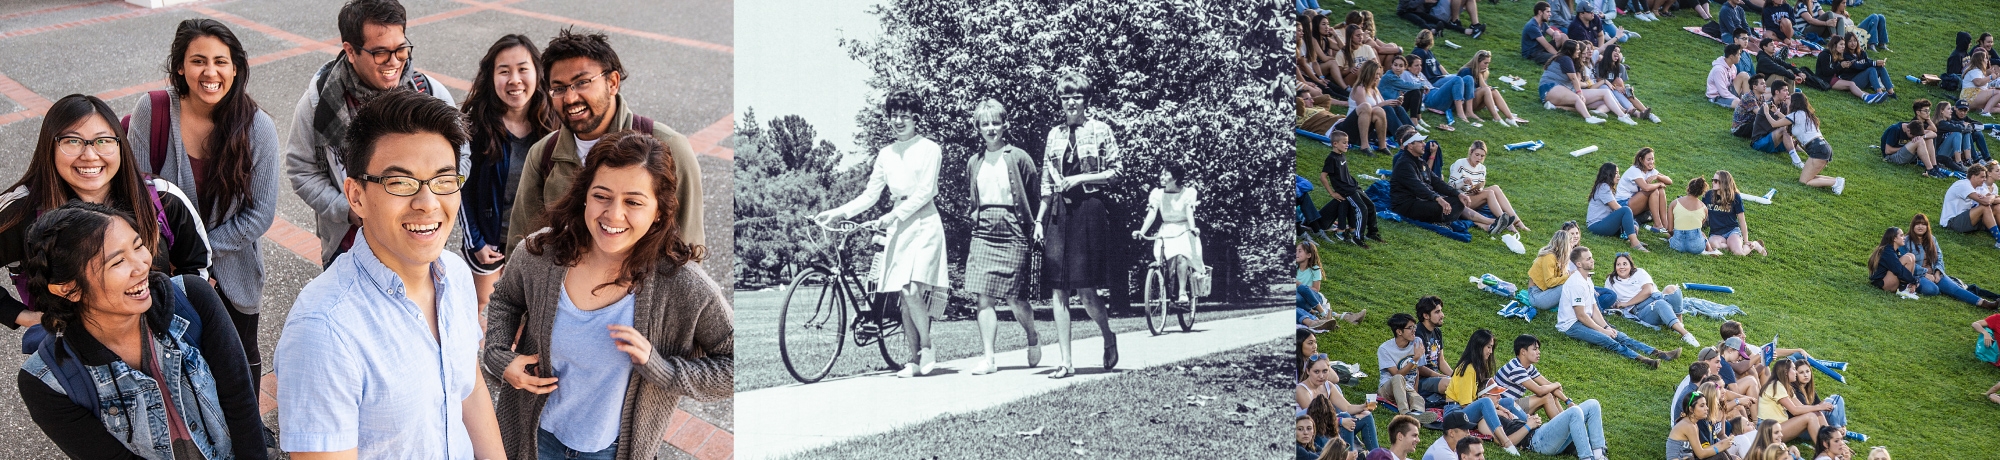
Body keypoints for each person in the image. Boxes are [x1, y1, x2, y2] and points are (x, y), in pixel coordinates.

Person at [273, 90, 505, 458]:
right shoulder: (323, 331)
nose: (427, 203)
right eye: (400, 183)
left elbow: (469, 387)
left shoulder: (457, 275)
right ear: (356, 196)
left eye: (444, 180)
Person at [484, 132, 732, 459]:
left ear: (659, 211)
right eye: (602, 196)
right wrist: (500, 356)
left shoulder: (684, 286)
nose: (613, 215)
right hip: (535, 438)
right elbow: (505, 301)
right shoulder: (541, 252)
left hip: (612, 450)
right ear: (585, 195)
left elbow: (733, 365)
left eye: (633, 201)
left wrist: (664, 370)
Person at [16, 202, 264, 459]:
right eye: (118, 262)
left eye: (138, 246)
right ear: (70, 289)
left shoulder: (192, 300)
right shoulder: (48, 383)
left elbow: (241, 405)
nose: (143, 265)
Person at [127, 18, 274, 393]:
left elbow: (260, 214)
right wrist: (178, 262)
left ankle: (248, 436)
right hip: (167, 269)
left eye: (221, 61)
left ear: (236, 67)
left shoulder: (257, 127)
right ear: (180, 65)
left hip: (233, 266)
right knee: (178, 362)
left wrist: (201, 257)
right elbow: (137, 196)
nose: (211, 72)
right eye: (198, 61)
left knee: (239, 360)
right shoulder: (154, 111)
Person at [0, 95, 213, 349]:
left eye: (103, 141)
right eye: (72, 141)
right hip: (69, 353)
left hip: (156, 344)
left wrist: (172, 320)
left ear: (120, 144)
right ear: (50, 146)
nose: (90, 155)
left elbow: (197, 267)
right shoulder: (21, 211)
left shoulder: (161, 198)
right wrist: (23, 316)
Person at [285, 0, 463, 267]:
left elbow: (462, 158)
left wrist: (436, 195)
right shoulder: (319, 104)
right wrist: (348, 210)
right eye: (380, 53)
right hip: (348, 245)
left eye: (401, 50)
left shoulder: (430, 94)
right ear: (350, 51)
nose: (394, 62)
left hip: (416, 239)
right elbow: (302, 171)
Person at [509, 28, 704, 253]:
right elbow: (523, 244)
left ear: (612, 82)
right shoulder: (543, 154)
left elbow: (689, 247)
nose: (571, 98)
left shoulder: (669, 146)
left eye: (582, 82)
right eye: (559, 88)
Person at [815, 91, 946, 378]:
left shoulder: (929, 149)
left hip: (924, 222)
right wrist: (839, 211)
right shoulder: (886, 154)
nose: (898, 120)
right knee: (903, 293)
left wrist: (893, 215)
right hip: (898, 224)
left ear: (916, 118)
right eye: (893, 115)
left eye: (904, 115)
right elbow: (870, 195)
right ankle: (914, 359)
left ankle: (927, 346)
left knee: (913, 290)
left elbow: (926, 191)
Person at [460, 34, 559, 312]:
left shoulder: (555, 124)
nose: (514, 79)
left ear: (538, 73)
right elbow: (461, 188)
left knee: (527, 309)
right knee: (484, 305)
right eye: (504, 71)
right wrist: (475, 241)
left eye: (523, 69)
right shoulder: (476, 124)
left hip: (534, 240)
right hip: (489, 240)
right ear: (491, 77)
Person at [1035, 69, 1122, 378]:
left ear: (1086, 100)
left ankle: (1108, 335)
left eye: (1076, 97)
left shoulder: (1101, 130)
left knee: (1086, 291)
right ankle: (1065, 362)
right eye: (1064, 97)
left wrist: (1082, 178)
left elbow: (1116, 171)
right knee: (1058, 289)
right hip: (1059, 212)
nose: (1070, 102)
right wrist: (1039, 220)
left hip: (1089, 208)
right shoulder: (1053, 134)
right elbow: (1047, 181)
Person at [963, 99, 1043, 375]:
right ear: (978, 128)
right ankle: (989, 358)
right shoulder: (974, 161)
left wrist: (1034, 226)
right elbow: (974, 198)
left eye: (996, 122)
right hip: (984, 230)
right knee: (983, 297)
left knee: (1014, 299)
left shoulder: (1019, 157)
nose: (991, 128)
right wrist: (975, 216)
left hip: (1014, 228)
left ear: (1005, 125)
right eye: (985, 123)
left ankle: (1032, 336)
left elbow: (1034, 194)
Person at [1556, 246, 1682, 367]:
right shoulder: (1576, 284)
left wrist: (1606, 326)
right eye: (1588, 258)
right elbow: (1581, 315)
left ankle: (1659, 353)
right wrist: (1602, 330)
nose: (1592, 260)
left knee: (1620, 336)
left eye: (1591, 257)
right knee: (1607, 340)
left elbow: (1594, 308)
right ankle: (1643, 360)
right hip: (1572, 325)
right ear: (1579, 264)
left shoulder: (1587, 279)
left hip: (1586, 320)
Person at [1390, 129, 1507, 231]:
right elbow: (1418, 186)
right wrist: (1437, 198)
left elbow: (1436, 182)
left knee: (1458, 201)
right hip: (1407, 205)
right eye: (1420, 142)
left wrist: (1457, 194)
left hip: (1421, 199)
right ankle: (1490, 223)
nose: (1424, 144)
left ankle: (1489, 223)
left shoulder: (1419, 161)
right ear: (1410, 145)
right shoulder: (1404, 163)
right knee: (1445, 206)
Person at [1441, 329, 1527, 455]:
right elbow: (1466, 404)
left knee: (1507, 402)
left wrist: (1502, 408)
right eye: (1488, 347)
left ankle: (1528, 426)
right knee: (1486, 401)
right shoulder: (1468, 369)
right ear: (1478, 346)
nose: (1491, 351)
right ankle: (1506, 442)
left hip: (1467, 409)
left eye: (1491, 347)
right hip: (1456, 412)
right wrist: (1496, 410)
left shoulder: (1478, 366)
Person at [1134, 163, 1206, 304]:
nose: (1162, 177)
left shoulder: (1188, 193)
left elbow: (1189, 212)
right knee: (1166, 261)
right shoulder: (1157, 194)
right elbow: (1152, 213)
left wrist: (1192, 227)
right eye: (1161, 174)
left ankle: (1182, 292)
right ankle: (1169, 287)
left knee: (1181, 256)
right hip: (1166, 230)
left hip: (1184, 229)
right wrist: (1141, 232)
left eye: (1166, 174)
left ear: (1176, 177)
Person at [1603, 252, 1702, 346]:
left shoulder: (1639, 272)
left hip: (1655, 296)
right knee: (1660, 304)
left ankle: (1679, 323)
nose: (1622, 267)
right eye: (1618, 264)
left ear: (1630, 265)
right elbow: (1609, 298)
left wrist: (1626, 303)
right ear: (1615, 267)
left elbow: (1648, 290)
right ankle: (1685, 334)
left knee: (1672, 289)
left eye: (1625, 264)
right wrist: (1620, 305)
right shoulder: (1611, 281)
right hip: (1641, 309)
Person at [1903, 213, 2000, 308]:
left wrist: (1937, 272)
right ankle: (1937, 287)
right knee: (1932, 290)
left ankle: (1983, 303)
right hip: (1918, 275)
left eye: (1923, 224)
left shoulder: (1932, 239)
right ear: (1913, 226)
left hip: (1934, 273)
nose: (1920, 227)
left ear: (1927, 226)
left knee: (1956, 289)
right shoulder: (1906, 241)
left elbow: (1939, 257)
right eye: (1917, 224)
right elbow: (1908, 263)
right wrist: (1925, 274)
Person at [1765, 92, 1845, 194]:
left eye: (1789, 98)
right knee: (1809, 177)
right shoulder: (1804, 114)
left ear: (1794, 102)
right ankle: (1837, 180)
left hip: (1817, 149)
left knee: (1804, 182)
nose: (1786, 98)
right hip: (1822, 147)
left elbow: (1774, 124)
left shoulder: (1796, 114)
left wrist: (1767, 112)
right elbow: (1788, 121)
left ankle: (1835, 182)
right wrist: (1777, 113)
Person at [1301, 353, 1382, 450]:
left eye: (1325, 371)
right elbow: (1314, 418)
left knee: (1366, 415)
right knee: (1345, 417)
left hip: (1330, 427)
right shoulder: (1301, 390)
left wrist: (1363, 406)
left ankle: (1377, 455)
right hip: (1314, 433)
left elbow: (1347, 407)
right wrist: (1340, 421)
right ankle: (1349, 455)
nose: (1321, 376)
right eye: (1316, 372)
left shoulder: (1328, 385)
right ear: (1308, 371)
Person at [1447, 141, 1529, 233]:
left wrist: (1478, 190)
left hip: (1472, 197)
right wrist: (1463, 181)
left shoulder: (1482, 169)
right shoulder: (1460, 163)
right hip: (1459, 198)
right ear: (1470, 152)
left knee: (1495, 188)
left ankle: (1518, 222)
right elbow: (1450, 186)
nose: (1479, 158)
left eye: (1482, 156)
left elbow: (1481, 186)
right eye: (1477, 155)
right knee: (1490, 193)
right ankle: (1506, 223)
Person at [1785, 355, 1868, 441]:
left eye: (1807, 371)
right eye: (1801, 372)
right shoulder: (1794, 389)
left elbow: (1818, 405)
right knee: (1829, 402)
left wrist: (1826, 403)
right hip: (1808, 428)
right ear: (1796, 374)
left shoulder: (1808, 387)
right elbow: (1805, 411)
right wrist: (1825, 403)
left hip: (1818, 420)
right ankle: (1836, 431)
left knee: (1837, 398)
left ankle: (1842, 428)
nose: (1806, 375)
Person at [1320, 131, 1381, 247]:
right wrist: (1332, 193)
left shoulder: (1342, 155)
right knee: (1362, 209)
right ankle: (1358, 238)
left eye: (1347, 142)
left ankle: (1373, 233)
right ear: (1335, 144)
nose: (1347, 145)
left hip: (1353, 187)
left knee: (1371, 205)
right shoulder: (1331, 158)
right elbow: (1323, 176)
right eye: (1344, 143)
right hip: (1346, 190)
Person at [1493, 334, 1575, 419]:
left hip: (1514, 405)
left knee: (1550, 391)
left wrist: (1568, 401)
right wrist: (1557, 384)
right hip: (1503, 408)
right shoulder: (1516, 368)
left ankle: (1566, 419)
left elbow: (1548, 385)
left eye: (1538, 349)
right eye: (1535, 349)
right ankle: (1563, 424)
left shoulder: (1528, 367)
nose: (1538, 352)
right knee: (1547, 396)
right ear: (1523, 352)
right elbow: (1539, 391)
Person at [1379, 313, 1440, 423]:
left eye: (1414, 327)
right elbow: (1397, 374)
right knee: (1398, 378)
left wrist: (1414, 392)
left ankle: (1417, 414)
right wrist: (1415, 359)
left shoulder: (1417, 342)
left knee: (1418, 398)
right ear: (1399, 332)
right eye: (1410, 328)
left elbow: (1416, 370)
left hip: (1407, 388)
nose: (1414, 330)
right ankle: (1405, 413)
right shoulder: (1384, 349)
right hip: (1388, 388)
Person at [1668, 383, 1750, 460]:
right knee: (1720, 455)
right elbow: (1701, 454)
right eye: (1702, 405)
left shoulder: (1694, 424)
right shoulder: (1689, 425)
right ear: (1691, 409)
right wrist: (1721, 445)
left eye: (1706, 404)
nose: (1706, 408)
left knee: (1722, 454)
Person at [1755, 360, 1826, 444]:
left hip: (1778, 426)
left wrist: (1817, 409)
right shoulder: (1776, 386)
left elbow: (1801, 406)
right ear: (1786, 372)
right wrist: (1819, 406)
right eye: (1793, 369)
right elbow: (1795, 410)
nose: (1796, 372)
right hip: (1767, 431)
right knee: (1811, 416)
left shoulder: (1787, 387)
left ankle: (1831, 439)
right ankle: (1822, 449)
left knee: (1817, 413)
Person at [1703, 170, 1768, 256]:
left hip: (1731, 231)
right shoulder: (1708, 195)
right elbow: (1702, 214)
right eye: (1713, 180)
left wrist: (1746, 241)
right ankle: (1732, 245)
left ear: (1724, 183)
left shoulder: (1735, 197)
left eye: (1716, 181)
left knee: (1739, 253)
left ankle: (1755, 245)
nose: (1713, 183)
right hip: (1716, 233)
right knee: (1713, 244)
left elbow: (1742, 221)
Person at [1585, 162, 1647, 251]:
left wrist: (1633, 223)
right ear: (1609, 174)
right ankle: (1634, 243)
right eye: (1616, 173)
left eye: (1618, 173)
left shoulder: (1606, 187)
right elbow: (1617, 208)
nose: (1618, 176)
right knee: (1626, 210)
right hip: (1596, 225)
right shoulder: (1603, 187)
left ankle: (1632, 239)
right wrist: (1632, 222)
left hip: (1603, 223)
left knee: (1631, 218)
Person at [1525, 397, 1611, 460]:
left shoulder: (1514, 405)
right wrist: (1528, 425)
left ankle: (1599, 455)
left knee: (1593, 404)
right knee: (1574, 411)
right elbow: (1542, 390)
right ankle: (1586, 457)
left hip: (1542, 432)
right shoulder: (1512, 405)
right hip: (1537, 440)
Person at [1813, 35, 1889, 103]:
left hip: (1833, 78)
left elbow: (1837, 72)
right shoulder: (1825, 55)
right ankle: (1866, 97)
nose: (1843, 46)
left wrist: (1845, 67)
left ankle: (1873, 97)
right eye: (1841, 44)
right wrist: (1841, 66)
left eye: (1844, 44)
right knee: (1851, 84)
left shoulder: (1837, 55)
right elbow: (1826, 73)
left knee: (1852, 85)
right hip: (1825, 79)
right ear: (1834, 45)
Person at [1939, 163, 2000, 248]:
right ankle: (1999, 240)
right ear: (1973, 176)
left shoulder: (1979, 187)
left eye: (1985, 177)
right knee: (1984, 207)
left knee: (1997, 207)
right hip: (1952, 222)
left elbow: (1995, 200)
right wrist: (1993, 196)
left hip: (1967, 219)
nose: (1985, 179)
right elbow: (1986, 202)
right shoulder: (1963, 185)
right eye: (1982, 177)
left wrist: (1991, 197)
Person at [1596, 44, 1659, 123]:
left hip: (1615, 89)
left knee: (1628, 92)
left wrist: (1624, 88)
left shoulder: (1620, 67)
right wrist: (1615, 87)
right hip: (1604, 89)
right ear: (1609, 52)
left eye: (1619, 52)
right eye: (1615, 51)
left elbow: (1621, 83)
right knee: (1613, 90)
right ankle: (1635, 112)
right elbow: (1599, 81)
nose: (1617, 53)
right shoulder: (1600, 65)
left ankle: (1648, 114)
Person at [1526, 223, 1582, 309]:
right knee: (1570, 284)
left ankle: (1587, 308)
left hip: (1547, 292)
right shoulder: (1549, 257)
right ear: (1564, 245)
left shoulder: (1561, 257)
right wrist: (1568, 276)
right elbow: (1549, 283)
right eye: (1570, 243)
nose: (1572, 246)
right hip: (1537, 296)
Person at [1617, 148, 1673, 232]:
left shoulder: (1650, 170)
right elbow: (1645, 187)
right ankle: (1657, 224)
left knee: (1660, 190)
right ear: (1641, 159)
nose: (1651, 162)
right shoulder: (1634, 170)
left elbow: (1670, 181)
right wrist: (1658, 183)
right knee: (1653, 189)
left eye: (1652, 159)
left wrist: (1657, 177)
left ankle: (1665, 225)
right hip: (1623, 204)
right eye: (1648, 159)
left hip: (1636, 202)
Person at [1412, 296, 1454, 404]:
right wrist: (1442, 376)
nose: (1442, 315)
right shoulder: (1418, 335)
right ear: (1426, 315)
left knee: (1459, 382)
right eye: (1437, 312)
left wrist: (1455, 375)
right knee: (1449, 384)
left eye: (1441, 311)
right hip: (1420, 381)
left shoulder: (1437, 332)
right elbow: (1419, 367)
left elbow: (1441, 361)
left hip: (1436, 379)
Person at [1865, 227, 1919, 297]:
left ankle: (1907, 287)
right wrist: (1914, 280)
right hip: (1883, 284)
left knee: (1911, 256)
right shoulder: (1887, 251)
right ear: (1894, 239)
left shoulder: (1894, 250)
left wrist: (1913, 281)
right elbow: (1898, 270)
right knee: (1907, 258)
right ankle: (1903, 289)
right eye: (1901, 235)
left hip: (1888, 281)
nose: (1904, 237)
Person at [1666, 178, 1715, 254]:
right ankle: (1710, 250)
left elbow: (1669, 229)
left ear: (1688, 188)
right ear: (1701, 192)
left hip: (1677, 246)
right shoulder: (1704, 208)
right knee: (1701, 233)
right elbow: (1698, 228)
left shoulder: (1674, 203)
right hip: (1696, 247)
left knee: (1670, 236)